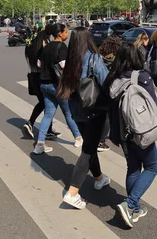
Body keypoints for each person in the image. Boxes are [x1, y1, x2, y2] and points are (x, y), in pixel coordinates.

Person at [106, 43, 157, 228]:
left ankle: (134, 208)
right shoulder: (142, 77)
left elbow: (111, 110)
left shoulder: (113, 78)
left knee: (133, 168)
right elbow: (153, 104)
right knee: (152, 167)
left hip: (123, 132)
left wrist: (114, 134)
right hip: (141, 130)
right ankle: (129, 204)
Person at [58, 28, 111, 209]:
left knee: (90, 145)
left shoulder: (70, 60)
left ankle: (99, 178)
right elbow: (106, 82)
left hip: (76, 110)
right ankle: (72, 192)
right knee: (88, 150)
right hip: (93, 109)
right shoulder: (93, 58)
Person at [34, 23, 82, 154]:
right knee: (68, 113)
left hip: (44, 84)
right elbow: (64, 66)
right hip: (58, 86)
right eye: (66, 32)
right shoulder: (61, 47)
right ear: (60, 33)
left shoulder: (47, 46)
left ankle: (40, 143)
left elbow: (38, 64)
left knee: (48, 114)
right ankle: (78, 137)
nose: (67, 34)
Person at [22, 25, 59, 140]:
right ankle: (31, 123)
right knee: (47, 103)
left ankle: (47, 129)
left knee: (46, 103)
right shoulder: (44, 45)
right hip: (42, 77)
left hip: (33, 76)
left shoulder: (31, 43)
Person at [97, 36, 122, 151]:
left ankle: (99, 136)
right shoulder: (116, 58)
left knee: (102, 114)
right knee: (108, 114)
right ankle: (101, 141)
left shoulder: (99, 55)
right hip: (111, 86)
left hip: (99, 87)